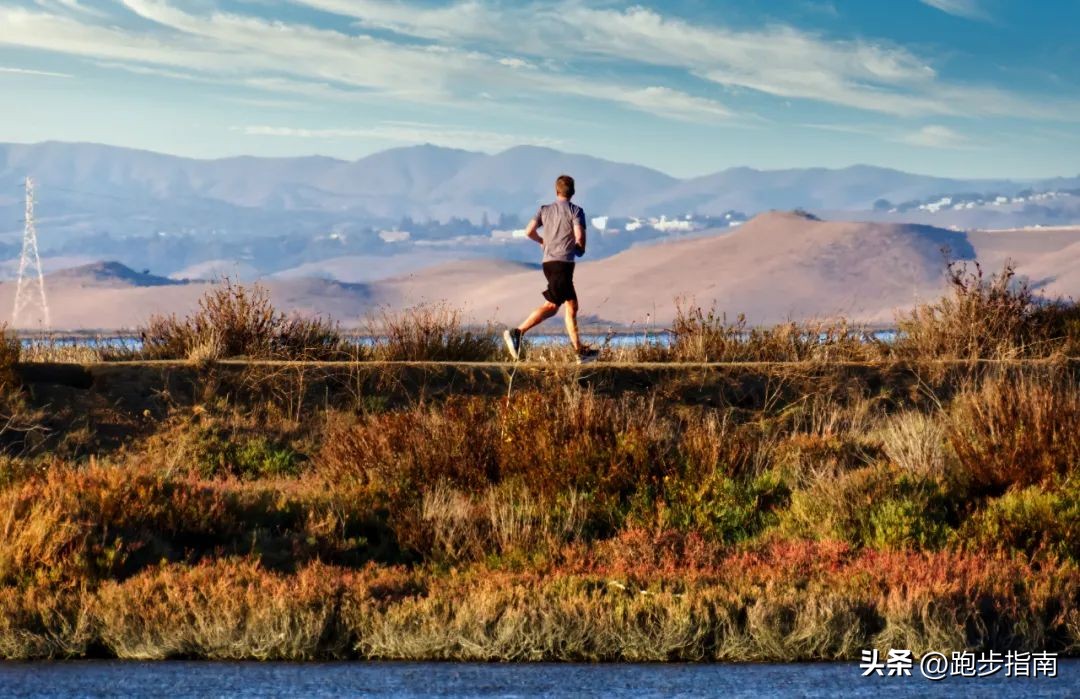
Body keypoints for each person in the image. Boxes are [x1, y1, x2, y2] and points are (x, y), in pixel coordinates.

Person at [503, 174, 600, 363]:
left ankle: (580, 351)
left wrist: (542, 242)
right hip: (563, 264)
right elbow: (579, 237)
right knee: (552, 306)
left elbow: (528, 231)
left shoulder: (544, 210)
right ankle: (517, 332)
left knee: (571, 305)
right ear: (572, 192)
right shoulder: (576, 211)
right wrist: (579, 248)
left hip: (548, 263)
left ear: (557, 191)